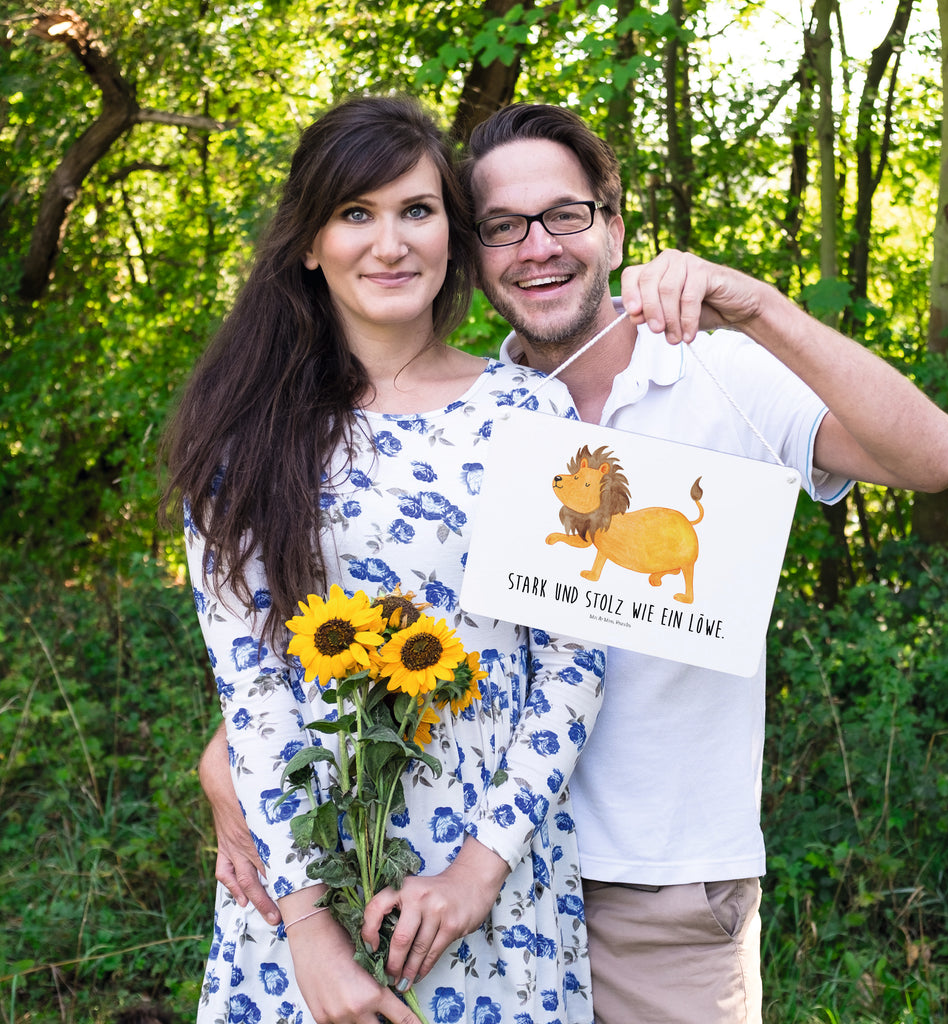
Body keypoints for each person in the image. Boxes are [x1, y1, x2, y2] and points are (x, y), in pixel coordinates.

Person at [202, 102, 948, 1024]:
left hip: (651, 887)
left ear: (614, 227)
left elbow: (938, 459)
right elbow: (340, 624)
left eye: (564, 215)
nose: (538, 247)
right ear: (474, 248)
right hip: (421, 870)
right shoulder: (472, 414)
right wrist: (233, 756)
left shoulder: (710, 374)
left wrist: (758, 305)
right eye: (503, 226)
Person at [163, 96, 608, 1024]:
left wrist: (478, 873)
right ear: (309, 243)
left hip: (492, 880)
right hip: (303, 877)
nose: (391, 243)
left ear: (453, 231)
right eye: (355, 213)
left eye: (417, 210)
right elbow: (253, 688)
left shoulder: (530, 413)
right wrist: (310, 935)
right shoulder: (244, 437)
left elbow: (574, 661)